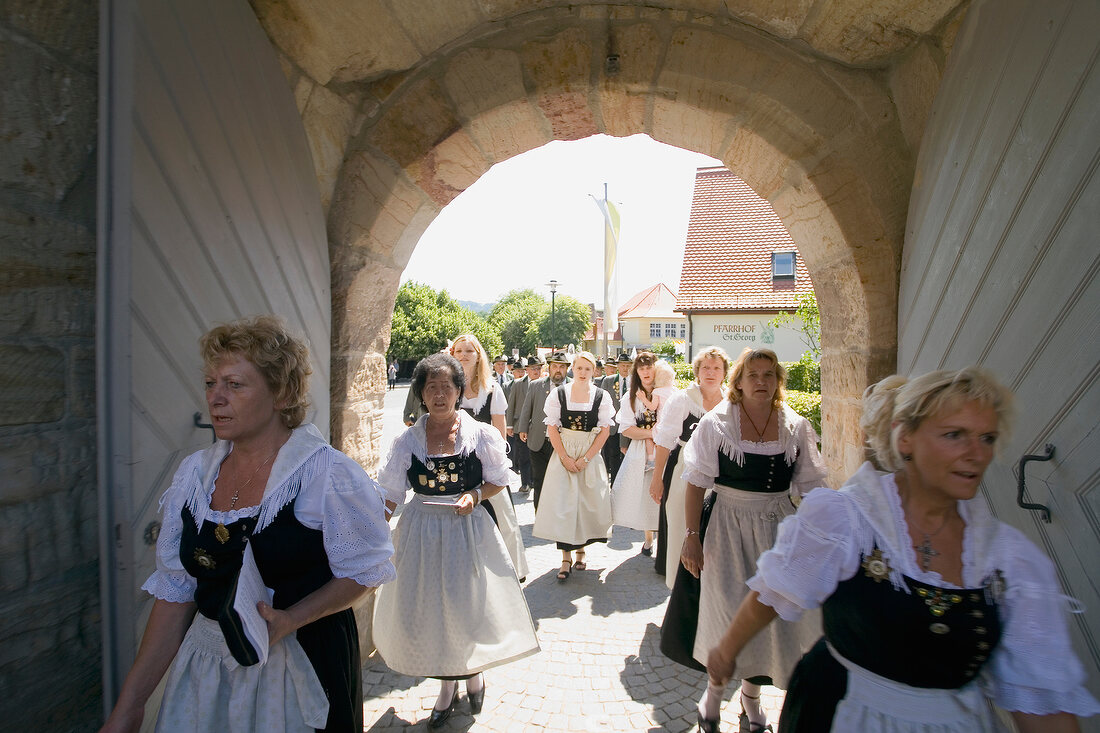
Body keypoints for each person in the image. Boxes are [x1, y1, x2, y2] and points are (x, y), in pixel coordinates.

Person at [706, 367, 1100, 732]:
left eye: (987, 438)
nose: (976, 453)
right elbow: (776, 590)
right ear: (905, 437)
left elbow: (1041, 705)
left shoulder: (1011, 561)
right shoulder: (847, 519)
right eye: (954, 434)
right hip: (840, 709)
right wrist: (726, 652)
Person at [101, 315, 396, 733]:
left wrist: (293, 617)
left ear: (281, 393)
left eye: (234, 385)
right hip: (208, 672)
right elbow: (176, 594)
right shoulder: (194, 476)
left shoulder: (327, 476)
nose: (216, 399)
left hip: (301, 665)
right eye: (210, 383)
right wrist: (129, 706)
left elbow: (364, 572)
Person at [373, 353, 540, 729]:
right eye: (430, 388)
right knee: (433, 608)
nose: (439, 394)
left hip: (467, 531)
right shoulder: (407, 440)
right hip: (422, 531)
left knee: (465, 604)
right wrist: (373, 533)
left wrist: (476, 495)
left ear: (459, 392)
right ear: (420, 393)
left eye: (446, 387)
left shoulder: (480, 435)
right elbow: (390, 493)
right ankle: (450, 685)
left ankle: (472, 674)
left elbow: (499, 480)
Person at [680, 347, 827, 733]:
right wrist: (691, 536)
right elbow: (696, 483)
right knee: (728, 612)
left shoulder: (795, 426)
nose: (761, 382)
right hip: (727, 524)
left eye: (769, 375)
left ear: (778, 380)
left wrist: (819, 537)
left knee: (769, 617)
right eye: (753, 375)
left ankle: (750, 698)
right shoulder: (717, 424)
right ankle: (712, 694)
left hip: (778, 526)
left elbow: (812, 488)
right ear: (739, 382)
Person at [449, 334, 528, 580]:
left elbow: (500, 435)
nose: (463, 355)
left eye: (469, 351)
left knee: (503, 516)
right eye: (458, 350)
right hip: (454, 463)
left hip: (486, 464)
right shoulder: (448, 388)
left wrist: (494, 468)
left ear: (478, 355)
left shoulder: (492, 390)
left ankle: (511, 571)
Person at [532, 351, 616, 581]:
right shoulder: (560, 394)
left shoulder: (601, 396)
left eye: (587, 369)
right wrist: (565, 458)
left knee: (585, 503)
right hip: (564, 451)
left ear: (594, 371)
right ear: (573, 369)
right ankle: (565, 557)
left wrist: (587, 458)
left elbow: (605, 431)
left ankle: (581, 552)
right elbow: (552, 428)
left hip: (589, 452)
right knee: (564, 504)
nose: (583, 373)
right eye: (579, 368)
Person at [649, 346, 729, 586]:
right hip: (684, 467)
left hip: (720, 474)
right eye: (706, 367)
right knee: (681, 527)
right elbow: (664, 442)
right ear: (697, 372)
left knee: (714, 533)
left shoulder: (731, 403)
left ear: (724, 373)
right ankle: (679, 590)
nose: (711, 373)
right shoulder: (683, 400)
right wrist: (657, 478)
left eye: (716, 368)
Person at [610, 351, 665, 555]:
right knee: (644, 492)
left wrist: (662, 436)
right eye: (641, 368)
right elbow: (626, 428)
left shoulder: (667, 392)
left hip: (665, 447)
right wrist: (652, 433)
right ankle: (648, 538)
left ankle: (664, 537)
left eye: (649, 367)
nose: (645, 372)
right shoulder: (631, 397)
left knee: (665, 490)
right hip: (641, 449)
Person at [517, 351, 570, 509]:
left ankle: (560, 515)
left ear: (567, 369)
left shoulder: (573, 386)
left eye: (562, 366)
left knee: (562, 481)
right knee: (540, 479)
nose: (558, 370)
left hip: (565, 443)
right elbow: (527, 408)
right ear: (549, 367)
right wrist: (523, 428)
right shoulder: (536, 385)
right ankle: (539, 516)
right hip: (539, 441)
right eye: (554, 366)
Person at [600, 353, 632, 483]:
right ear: (618, 366)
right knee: (613, 456)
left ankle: (626, 485)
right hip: (613, 425)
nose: (625, 368)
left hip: (629, 425)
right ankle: (613, 484)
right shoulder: (608, 380)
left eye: (628, 365)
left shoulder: (635, 381)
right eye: (623, 365)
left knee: (628, 456)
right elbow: (602, 401)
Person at [505, 357, 532, 493]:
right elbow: (511, 405)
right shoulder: (518, 384)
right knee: (523, 455)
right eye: (532, 368)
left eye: (538, 368)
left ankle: (532, 480)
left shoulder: (543, 384)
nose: (535, 371)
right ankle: (525, 483)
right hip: (519, 425)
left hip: (537, 427)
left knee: (535, 454)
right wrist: (509, 425)